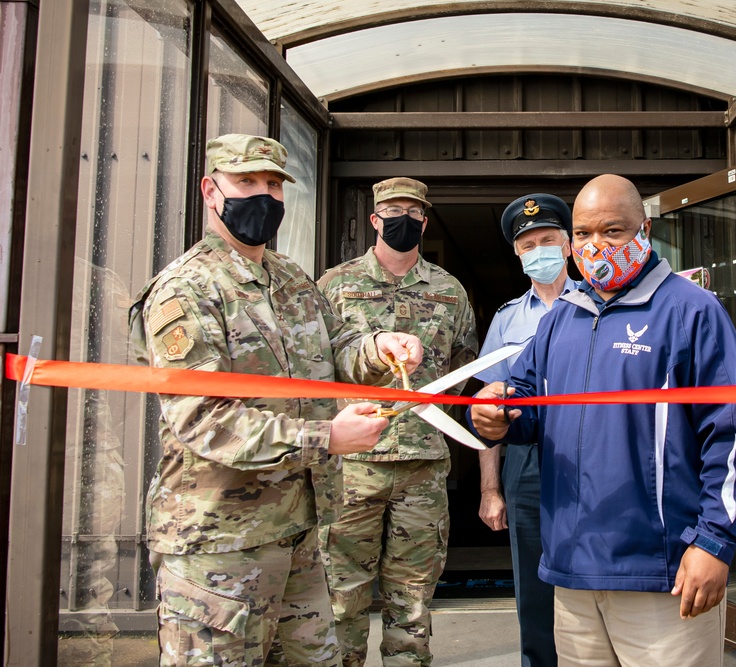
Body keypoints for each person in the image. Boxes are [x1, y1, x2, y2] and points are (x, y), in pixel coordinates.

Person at [129, 134, 423, 667]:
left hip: (298, 531)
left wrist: (378, 349)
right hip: (218, 543)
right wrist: (326, 437)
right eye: (246, 183)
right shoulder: (186, 289)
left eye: (273, 185)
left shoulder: (289, 278)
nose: (263, 196)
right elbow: (201, 419)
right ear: (211, 191)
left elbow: (337, 351)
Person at [468, 174, 736, 666]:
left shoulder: (690, 310)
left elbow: (732, 436)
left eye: (613, 231)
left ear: (644, 230)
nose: (595, 245)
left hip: (661, 574)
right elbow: (525, 403)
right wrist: (497, 413)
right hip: (573, 575)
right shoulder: (562, 318)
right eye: (583, 234)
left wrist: (714, 542)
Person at [317, 177, 478, 666]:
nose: (402, 218)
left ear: (424, 221)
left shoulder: (449, 289)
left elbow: (463, 366)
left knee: (412, 600)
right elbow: (317, 366)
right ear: (374, 219)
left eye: (412, 211)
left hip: (422, 467)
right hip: (352, 467)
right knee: (341, 598)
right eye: (392, 210)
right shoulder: (333, 285)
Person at [475, 193, 577, 667]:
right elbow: (487, 413)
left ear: (569, 245)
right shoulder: (507, 319)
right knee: (533, 583)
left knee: (588, 575)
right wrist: (490, 489)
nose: (539, 250)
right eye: (528, 244)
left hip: (586, 455)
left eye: (548, 240)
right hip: (526, 460)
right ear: (517, 254)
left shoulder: (598, 305)